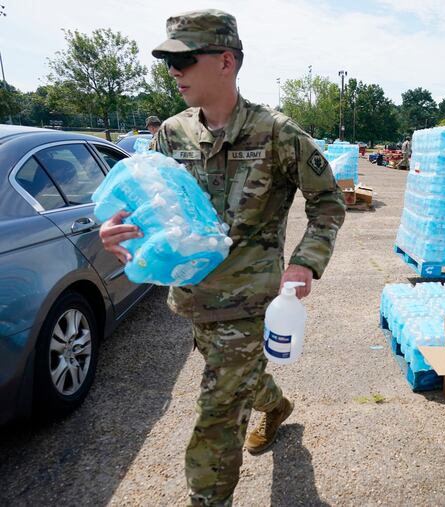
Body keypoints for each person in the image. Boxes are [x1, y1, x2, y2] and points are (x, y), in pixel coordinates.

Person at [98, 9, 346, 506]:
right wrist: (116, 227)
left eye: (184, 60)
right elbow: (148, 201)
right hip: (193, 298)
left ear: (226, 61)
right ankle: (272, 404)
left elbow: (328, 203)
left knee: (216, 414)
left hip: (250, 303)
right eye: (168, 61)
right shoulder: (170, 134)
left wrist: (305, 262)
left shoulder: (277, 133)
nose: (173, 71)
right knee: (237, 378)